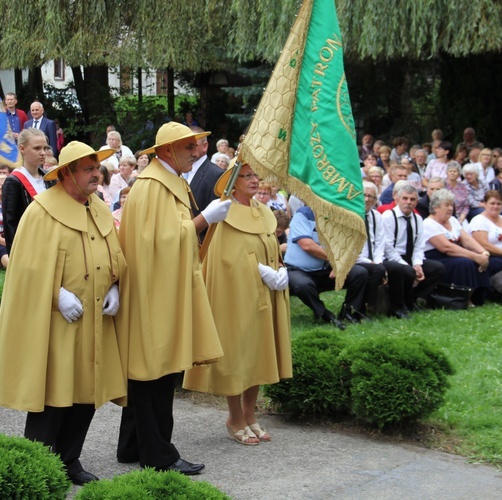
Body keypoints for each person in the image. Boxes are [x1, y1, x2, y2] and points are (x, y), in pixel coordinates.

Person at [0, 141, 125, 486]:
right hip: (58, 324)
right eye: (88, 169)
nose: (97, 174)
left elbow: (114, 252)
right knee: (54, 396)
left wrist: (115, 284)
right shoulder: (41, 211)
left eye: (97, 168)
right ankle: (37, 463)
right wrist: (57, 295)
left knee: (86, 393)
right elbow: (25, 268)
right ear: (67, 174)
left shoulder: (97, 207)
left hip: (94, 320)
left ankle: (70, 459)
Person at [116, 122, 230, 475]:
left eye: (195, 146)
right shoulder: (152, 186)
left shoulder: (165, 182)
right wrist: (202, 221)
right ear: (166, 151)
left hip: (158, 289)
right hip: (154, 294)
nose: (196, 152)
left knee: (149, 373)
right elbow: (161, 242)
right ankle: (159, 455)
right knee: (157, 375)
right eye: (188, 148)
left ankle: (132, 446)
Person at [183, 162, 292, 446]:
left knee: (257, 350)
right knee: (237, 351)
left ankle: (249, 413)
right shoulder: (225, 211)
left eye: (256, 175)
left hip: (264, 293)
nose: (255, 180)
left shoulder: (264, 211)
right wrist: (256, 270)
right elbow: (222, 259)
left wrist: (280, 268)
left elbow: (271, 247)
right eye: (247, 176)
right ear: (233, 181)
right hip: (236, 295)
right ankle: (234, 417)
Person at [285, 205, 369, 328]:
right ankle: (326, 315)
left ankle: (349, 312)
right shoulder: (303, 214)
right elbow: (307, 245)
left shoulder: (339, 217)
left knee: (360, 273)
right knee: (302, 285)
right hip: (298, 270)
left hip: (325, 270)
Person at [382, 183, 445, 319]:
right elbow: (387, 247)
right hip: (391, 258)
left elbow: (418, 246)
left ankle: (412, 299)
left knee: (437, 268)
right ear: (397, 199)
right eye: (405, 198)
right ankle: (397, 307)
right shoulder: (388, 216)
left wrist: (417, 264)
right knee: (404, 270)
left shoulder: (417, 219)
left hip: (409, 257)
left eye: (412, 199)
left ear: (417, 201)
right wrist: (407, 265)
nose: (408, 202)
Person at [422, 189, 491, 306]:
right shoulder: (428, 223)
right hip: (437, 257)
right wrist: (475, 256)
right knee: (465, 263)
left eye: (451, 205)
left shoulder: (453, 220)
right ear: (436, 207)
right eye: (446, 205)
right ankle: (464, 298)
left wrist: (483, 252)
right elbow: (446, 247)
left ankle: (478, 297)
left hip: (455, 253)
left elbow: (467, 239)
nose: (450, 208)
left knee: (479, 260)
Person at [2, 128, 51, 253]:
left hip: (50, 241)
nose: (43, 153)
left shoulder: (50, 178)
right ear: (22, 149)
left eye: (45, 148)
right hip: (28, 246)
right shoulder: (13, 181)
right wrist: (14, 255)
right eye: (37, 148)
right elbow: (10, 223)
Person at [355, 182, 387, 315]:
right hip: (354, 260)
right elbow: (351, 248)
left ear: (375, 200)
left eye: (371, 197)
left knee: (397, 269)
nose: (367, 199)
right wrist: (372, 264)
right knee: (377, 270)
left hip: (374, 261)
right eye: (364, 195)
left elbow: (380, 242)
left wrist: (378, 261)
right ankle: (369, 303)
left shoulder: (376, 216)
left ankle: (397, 307)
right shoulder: (350, 215)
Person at [183, 126, 223, 221]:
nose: (188, 150)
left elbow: (217, 219)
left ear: (204, 146)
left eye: (193, 145)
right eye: (186, 146)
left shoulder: (216, 175)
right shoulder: (179, 171)